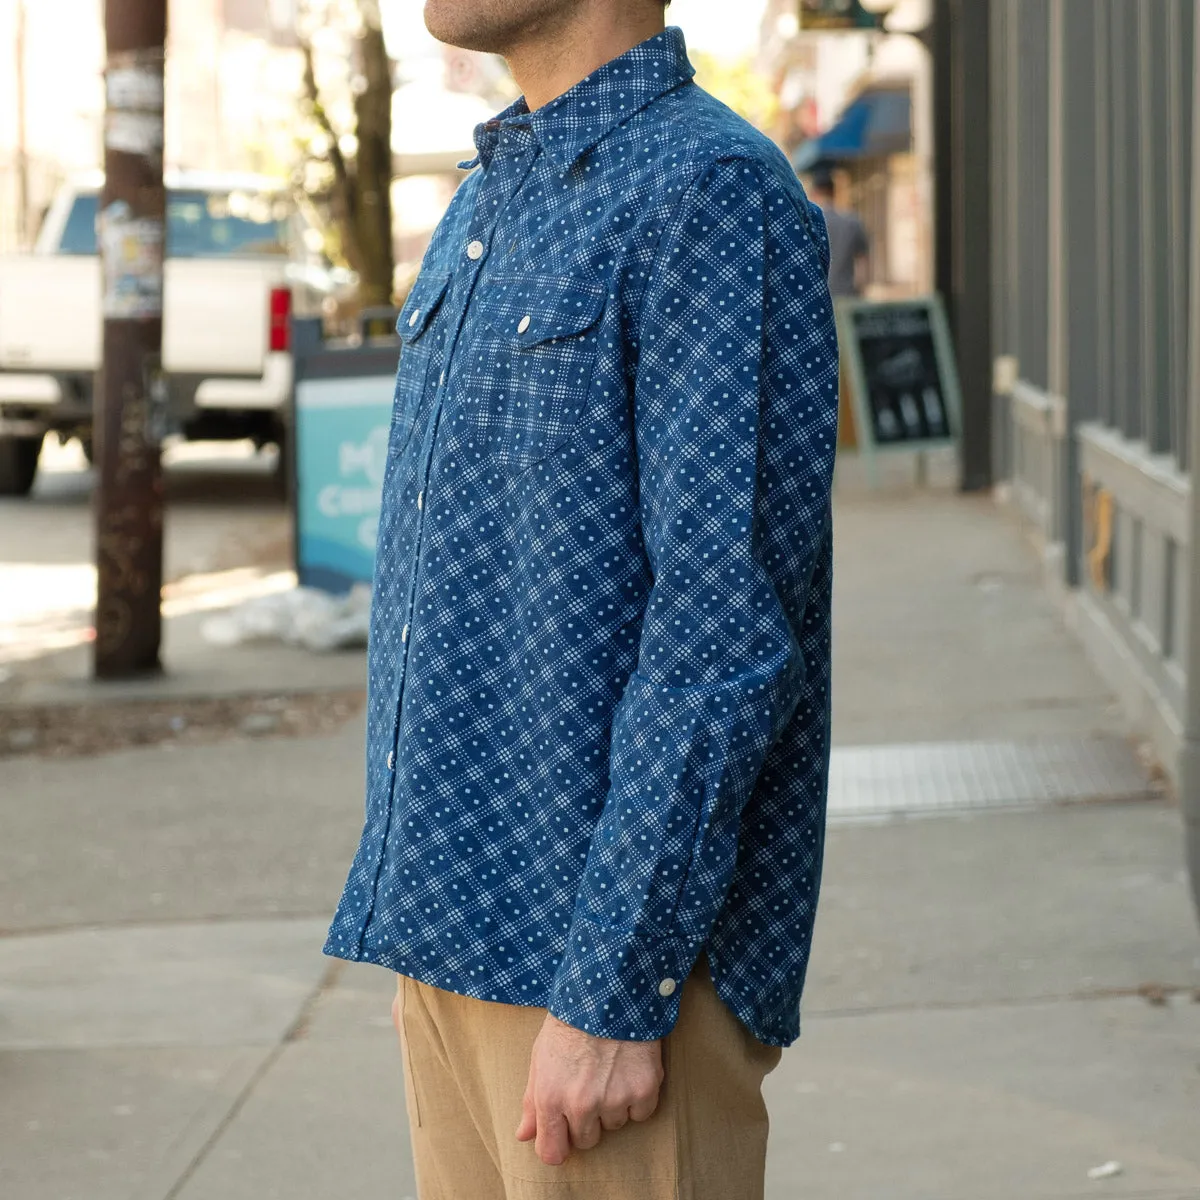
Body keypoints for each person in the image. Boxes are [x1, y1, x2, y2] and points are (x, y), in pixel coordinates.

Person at [324, 3, 838, 1196]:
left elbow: (724, 637)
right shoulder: (490, 195)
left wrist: (616, 990)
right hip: (461, 948)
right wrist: (426, 949)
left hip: (608, 993)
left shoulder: (712, 191)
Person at [809, 168, 870, 298]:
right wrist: (860, 290)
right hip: (847, 294)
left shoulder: (808, 224)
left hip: (818, 297)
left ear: (814, 193)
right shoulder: (852, 222)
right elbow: (863, 262)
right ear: (833, 192)